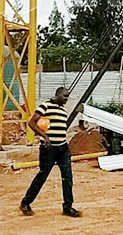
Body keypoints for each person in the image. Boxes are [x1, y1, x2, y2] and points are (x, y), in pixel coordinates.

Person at [20, 87, 82, 218]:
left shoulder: (63, 110)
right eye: (65, 96)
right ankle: (25, 203)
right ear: (57, 95)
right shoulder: (45, 106)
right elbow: (31, 123)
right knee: (42, 176)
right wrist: (44, 136)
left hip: (63, 148)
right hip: (48, 149)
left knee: (67, 177)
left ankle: (68, 207)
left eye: (67, 96)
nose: (66, 99)